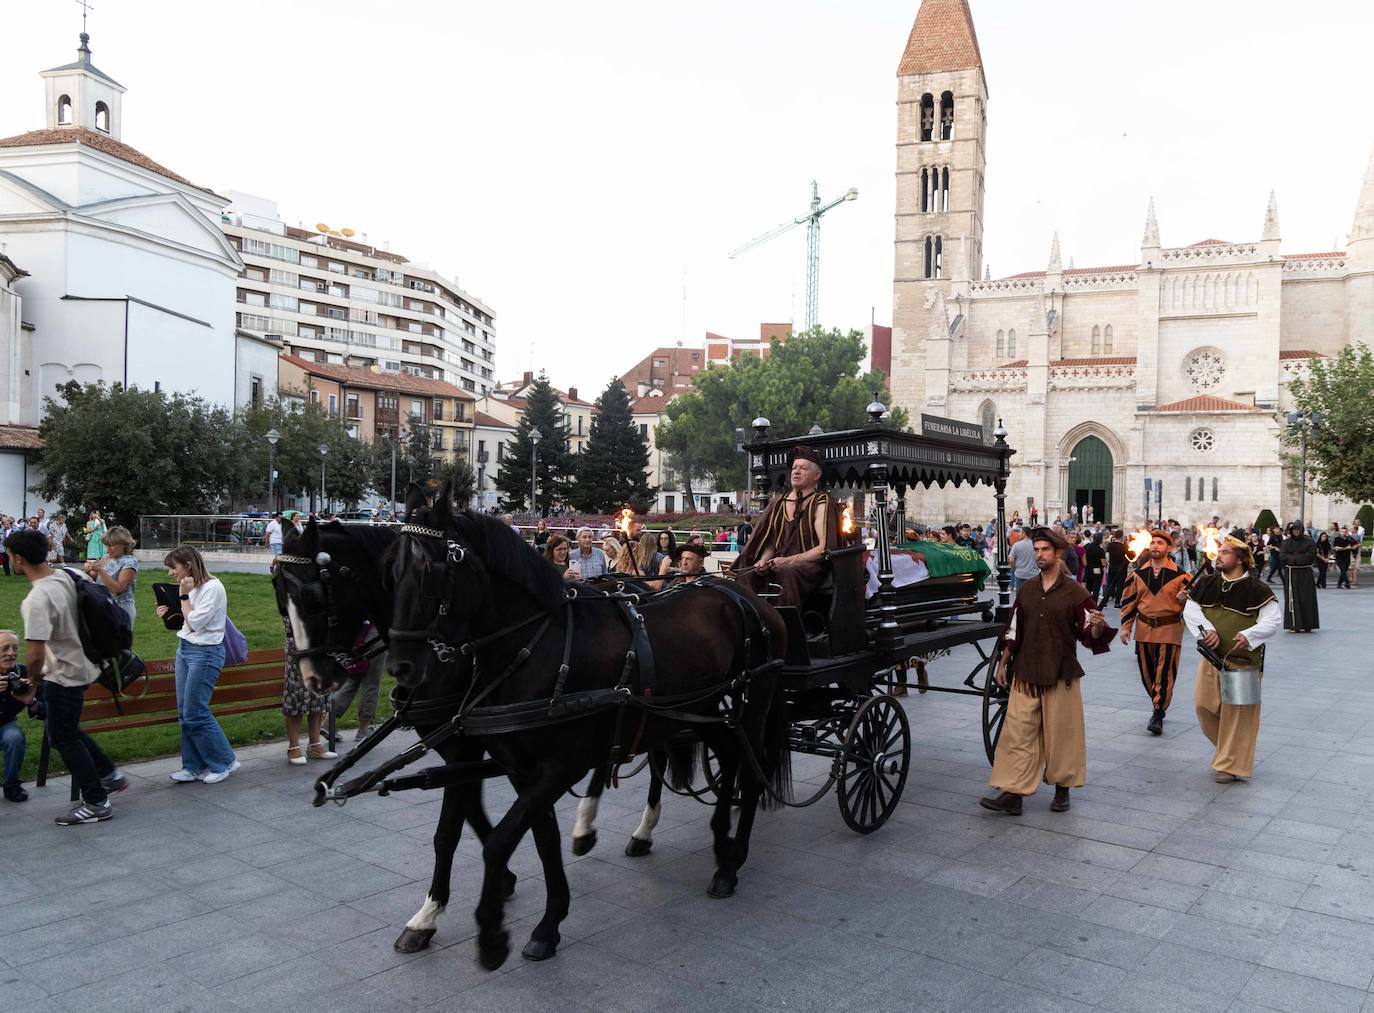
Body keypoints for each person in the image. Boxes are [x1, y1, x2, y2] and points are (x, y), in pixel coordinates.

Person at [980, 528, 1113, 815]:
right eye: (1037, 550)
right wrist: (1003, 663)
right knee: (1017, 734)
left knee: (1062, 734)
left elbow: (1090, 634)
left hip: (1060, 671)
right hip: (1026, 671)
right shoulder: (1027, 588)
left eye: (1045, 550)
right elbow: (1014, 628)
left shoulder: (1076, 591)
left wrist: (1099, 624)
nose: (1039, 555)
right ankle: (1013, 794)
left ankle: (1062, 790)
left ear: (1058, 554)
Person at [5, 528, 127, 824]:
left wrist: (32, 681)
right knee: (65, 728)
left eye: (9, 556)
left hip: (64, 674)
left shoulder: (37, 599)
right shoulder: (69, 574)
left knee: (62, 737)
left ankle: (97, 801)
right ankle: (108, 773)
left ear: (18, 559)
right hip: (87, 664)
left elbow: (33, 655)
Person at [1183, 535, 1280, 782]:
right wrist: (1207, 631)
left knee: (1239, 714)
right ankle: (1231, 749)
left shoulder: (1258, 589)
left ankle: (1229, 763)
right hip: (1211, 658)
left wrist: (1250, 634)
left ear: (1240, 559)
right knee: (1203, 706)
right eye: (1220, 551)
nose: (1219, 555)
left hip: (1242, 663)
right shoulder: (1207, 582)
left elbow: (1272, 621)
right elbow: (1191, 609)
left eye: (1225, 552)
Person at [157, 546, 240, 783]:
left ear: (188, 565)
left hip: (205, 653)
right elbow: (185, 622)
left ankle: (224, 762)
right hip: (185, 649)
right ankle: (193, 766)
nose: (171, 573)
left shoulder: (213, 588)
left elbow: (195, 624)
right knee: (185, 712)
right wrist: (169, 613)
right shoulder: (191, 586)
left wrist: (183, 597)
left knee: (196, 712)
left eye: (173, 568)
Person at [734, 446, 838, 606]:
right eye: (794, 468)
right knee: (746, 573)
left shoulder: (821, 502)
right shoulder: (779, 503)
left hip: (811, 567)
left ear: (817, 475)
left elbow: (823, 548)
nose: (796, 472)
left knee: (787, 572)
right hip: (779, 563)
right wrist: (763, 560)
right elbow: (771, 543)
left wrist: (788, 561)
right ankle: (749, 621)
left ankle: (785, 625)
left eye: (803, 468)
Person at [1120, 531, 1190, 735]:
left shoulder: (1181, 575)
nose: (1155, 546)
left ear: (1169, 548)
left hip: (1169, 630)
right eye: (1152, 543)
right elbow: (1128, 602)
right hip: (1144, 629)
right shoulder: (1138, 575)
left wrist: (1185, 599)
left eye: (1160, 543)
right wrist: (1126, 627)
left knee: (1164, 672)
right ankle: (1157, 701)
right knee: (1147, 674)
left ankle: (1158, 712)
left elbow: (1195, 604)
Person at [0, 630, 38, 802]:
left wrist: (31, 701)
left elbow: (45, 708)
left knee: (14, 737)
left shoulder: (24, 674)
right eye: (4, 648)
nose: (11, 653)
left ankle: (12, 786)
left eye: (14, 648)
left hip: (5, 724)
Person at [328, 623, 381, 743]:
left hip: (355, 632)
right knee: (371, 683)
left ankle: (328, 722)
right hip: (373, 632)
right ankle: (364, 729)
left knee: (354, 677)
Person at [85, 525, 139, 627]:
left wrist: (100, 570)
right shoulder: (106, 558)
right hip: (103, 606)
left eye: (111, 545)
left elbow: (118, 589)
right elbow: (96, 578)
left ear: (124, 544)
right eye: (106, 545)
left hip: (121, 609)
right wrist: (89, 571)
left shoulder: (130, 562)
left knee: (118, 642)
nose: (108, 548)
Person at [1280, 522, 1319, 632]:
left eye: (1298, 529)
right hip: (1291, 573)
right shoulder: (1286, 542)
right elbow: (1283, 556)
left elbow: (1310, 556)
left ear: (1302, 530)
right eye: (1294, 530)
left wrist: (1294, 558)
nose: (1296, 532)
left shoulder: (1309, 542)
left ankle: (1308, 624)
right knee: (1293, 598)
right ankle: (1294, 625)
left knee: (1306, 598)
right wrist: (1296, 559)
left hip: (1305, 573)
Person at [1083, 531, 1106, 602]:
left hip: (1088, 569)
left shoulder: (1087, 546)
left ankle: (1087, 602)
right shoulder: (1101, 550)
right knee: (1096, 588)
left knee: (1088, 588)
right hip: (1098, 570)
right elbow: (1103, 563)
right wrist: (1106, 563)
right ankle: (1094, 603)